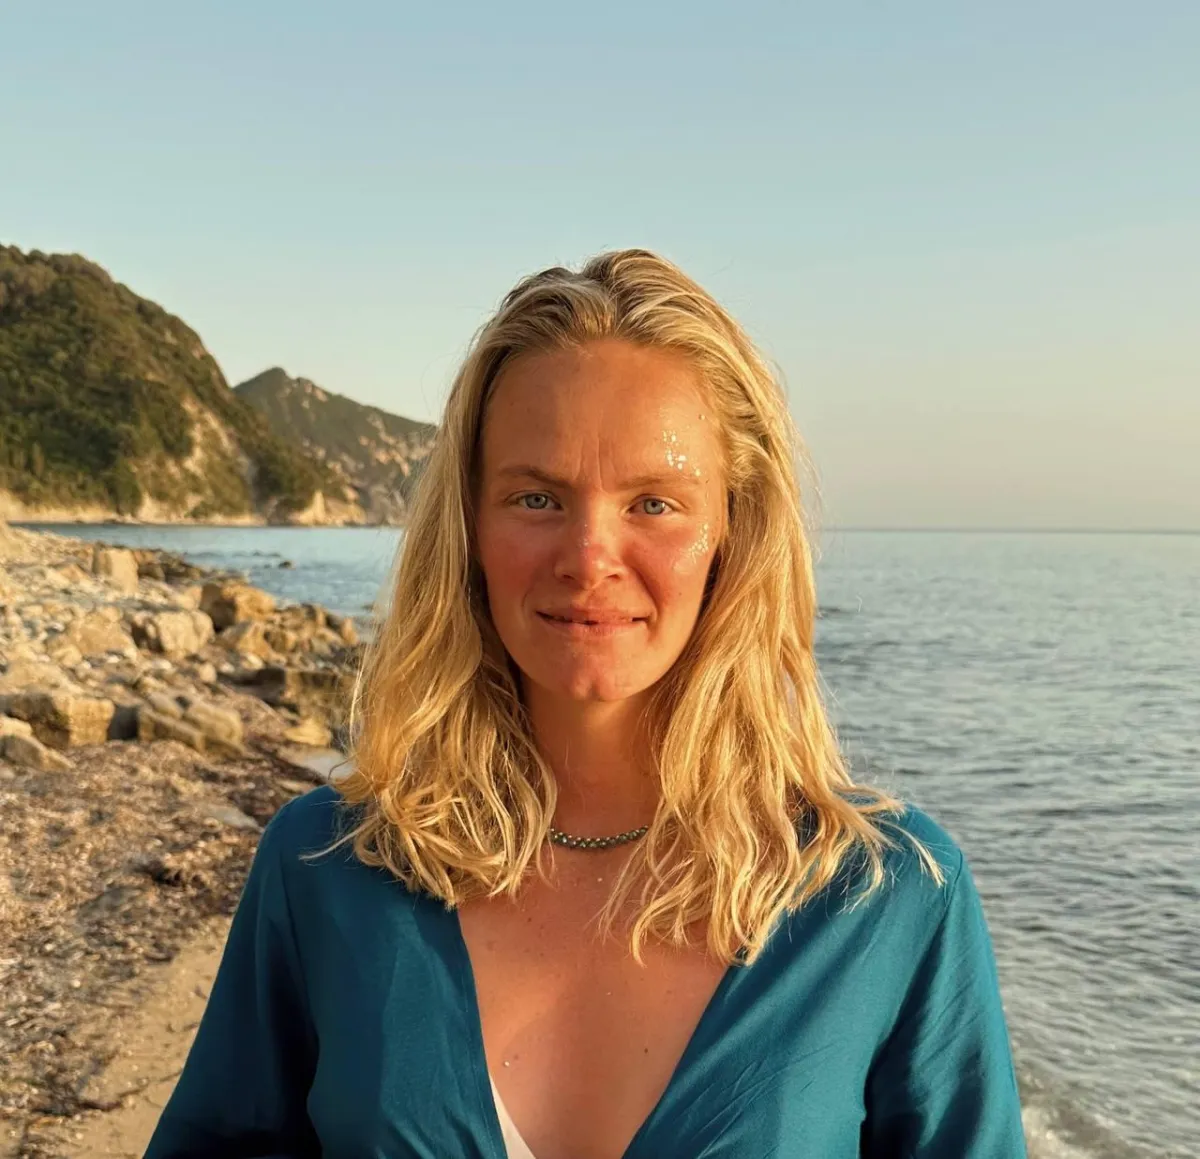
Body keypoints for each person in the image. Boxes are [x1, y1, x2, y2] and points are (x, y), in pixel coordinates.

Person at [144, 249, 1026, 1158]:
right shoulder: (327, 868)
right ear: (469, 527)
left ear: (733, 531)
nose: (589, 555)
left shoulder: (887, 897)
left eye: (654, 502)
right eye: (536, 497)